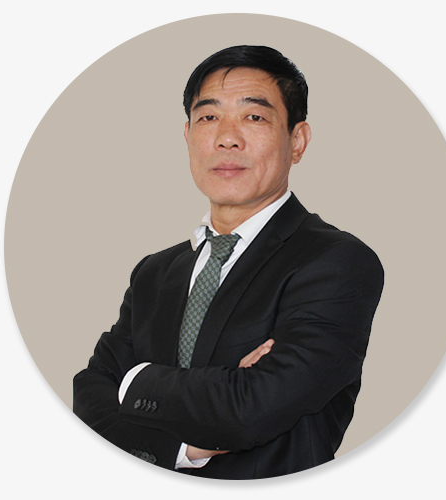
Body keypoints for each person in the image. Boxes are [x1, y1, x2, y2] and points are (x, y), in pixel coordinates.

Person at [73, 45, 384, 479]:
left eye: (254, 116)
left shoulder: (337, 262)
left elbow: (252, 409)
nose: (227, 138)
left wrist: (136, 380)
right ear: (187, 135)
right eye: (208, 117)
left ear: (297, 141)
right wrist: (184, 446)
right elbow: (88, 395)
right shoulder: (154, 273)